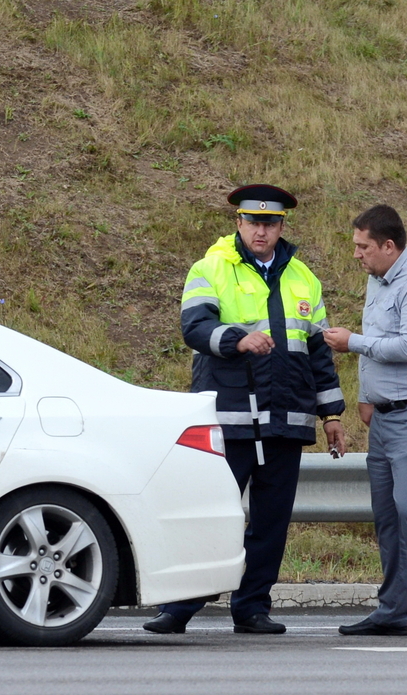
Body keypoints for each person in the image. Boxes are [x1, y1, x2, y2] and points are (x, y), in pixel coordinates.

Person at [144, 184, 347, 636]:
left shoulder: (304, 278)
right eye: (253, 222)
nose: (261, 230)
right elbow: (194, 327)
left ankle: (252, 607)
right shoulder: (210, 268)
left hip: (285, 420)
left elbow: (318, 354)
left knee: (270, 523)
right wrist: (237, 339)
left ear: (281, 227)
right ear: (238, 223)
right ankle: (178, 608)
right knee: (210, 516)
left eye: (270, 223)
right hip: (229, 420)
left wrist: (330, 415)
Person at [324, 204, 407, 640]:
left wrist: (352, 343)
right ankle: (392, 612)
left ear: (389, 245)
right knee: (387, 515)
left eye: (364, 247)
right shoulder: (377, 279)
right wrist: (366, 397)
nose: (357, 255)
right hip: (386, 415)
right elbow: (380, 337)